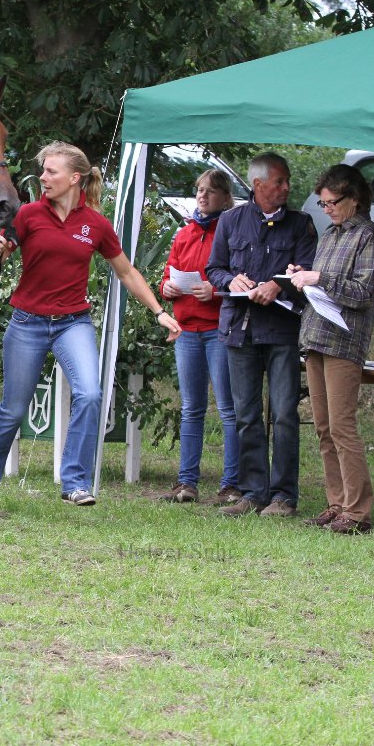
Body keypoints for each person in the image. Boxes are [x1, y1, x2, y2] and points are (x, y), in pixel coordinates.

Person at [0, 141, 182, 509]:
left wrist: (159, 311)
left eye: (50, 171)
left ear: (75, 178)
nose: (43, 177)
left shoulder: (95, 224)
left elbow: (127, 272)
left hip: (74, 322)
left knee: (90, 394)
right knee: (13, 409)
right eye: (43, 171)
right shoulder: (27, 215)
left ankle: (75, 482)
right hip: (27, 323)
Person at [206, 152, 318, 518]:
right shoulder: (230, 221)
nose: (287, 187)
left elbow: (307, 271)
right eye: (280, 182)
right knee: (246, 414)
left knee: (284, 413)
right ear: (259, 185)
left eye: (286, 182)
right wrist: (230, 279)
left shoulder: (302, 225)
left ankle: (284, 496)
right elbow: (214, 268)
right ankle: (253, 493)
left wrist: (278, 286)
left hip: (282, 331)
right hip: (240, 330)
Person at [288, 164, 374, 535]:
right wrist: (304, 277)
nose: (326, 208)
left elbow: (363, 293)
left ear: (355, 199)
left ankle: (358, 512)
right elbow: (329, 286)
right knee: (323, 427)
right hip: (316, 336)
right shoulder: (330, 235)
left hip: (345, 342)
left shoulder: (371, 238)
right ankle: (337, 504)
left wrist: (321, 278)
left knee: (343, 427)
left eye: (332, 202)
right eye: (322, 202)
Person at [158, 169, 240, 504]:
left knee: (228, 409)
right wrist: (166, 287)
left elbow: (239, 278)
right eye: (199, 190)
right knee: (191, 407)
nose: (202, 196)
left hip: (218, 329)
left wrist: (217, 291)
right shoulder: (185, 234)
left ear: (225, 197)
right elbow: (168, 273)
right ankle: (186, 482)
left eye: (210, 191)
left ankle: (231, 484)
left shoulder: (232, 231)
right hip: (187, 329)